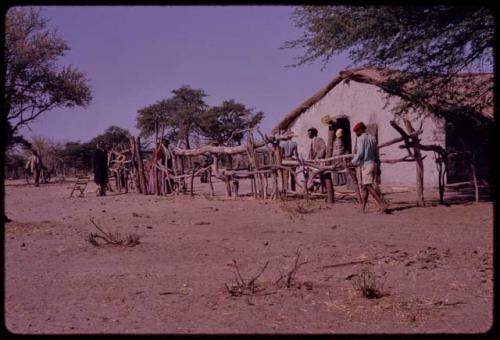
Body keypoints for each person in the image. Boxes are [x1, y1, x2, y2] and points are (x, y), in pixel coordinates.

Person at [350, 122, 388, 213]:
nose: (356, 134)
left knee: (367, 186)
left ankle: (382, 204)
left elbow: (360, 153)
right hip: (373, 164)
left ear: (360, 130)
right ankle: (363, 208)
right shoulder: (372, 138)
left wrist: (352, 162)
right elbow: (376, 154)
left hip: (366, 165)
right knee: (366, 187)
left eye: (356, 132)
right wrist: (378, 166)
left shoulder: (361, 139)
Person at [307, 127, 327, 192]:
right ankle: (319, 189)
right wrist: (308, 160)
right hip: (314, 162)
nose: (308, 135)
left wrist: (319, 156)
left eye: (309, 133)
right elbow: (311, 152)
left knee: (314, 174)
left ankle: (310, 186)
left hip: (320, 162)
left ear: (314, 133)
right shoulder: (312, 142)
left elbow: (323, 148)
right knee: (310, 173)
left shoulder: (319, 140)